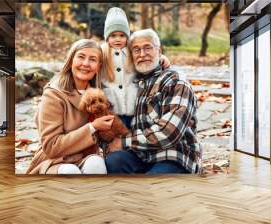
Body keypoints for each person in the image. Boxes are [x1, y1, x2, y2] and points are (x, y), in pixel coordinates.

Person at [105, 29, 202, 174]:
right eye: (136, 50)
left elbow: (169, 133)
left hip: (172, 156)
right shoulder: (133, 83)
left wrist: (124, 142)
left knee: (154, 181)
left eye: (147, 48)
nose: (142, 54)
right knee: (113, 162)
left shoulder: (175, 81)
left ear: (159, 50)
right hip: (141, 155)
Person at [25, 39, 114, 175]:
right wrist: (93, 127)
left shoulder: (98, 94)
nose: (86, 64)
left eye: (92, 59)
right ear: (71, 59)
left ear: (98, 66)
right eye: (81, 57)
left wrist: (158, 59)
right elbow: (51, 146)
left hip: (84, 156)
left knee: (97, 164)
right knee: (70, 171)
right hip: (55, 159)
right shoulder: (54, 94)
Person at [101, 7, 170, 129]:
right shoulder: (102, 53)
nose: (117, 39)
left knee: (131, 130)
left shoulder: (131, 51)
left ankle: (132, 143)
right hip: (111, 104)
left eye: (122, 35)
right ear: (107, 37)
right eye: (113, 36)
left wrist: (162, 57)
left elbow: (144, 57)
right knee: (114, 132)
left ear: (127, 36)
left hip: (133, 104)